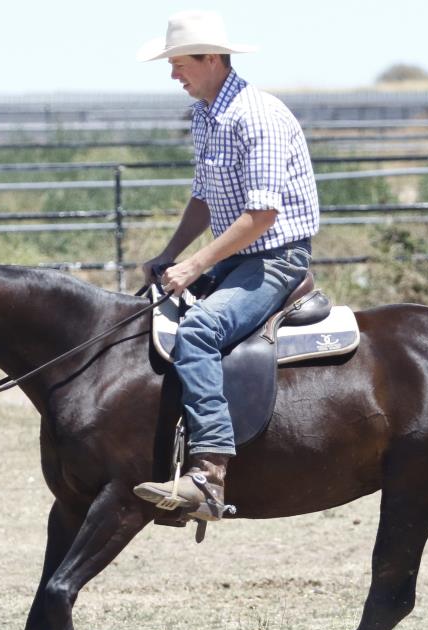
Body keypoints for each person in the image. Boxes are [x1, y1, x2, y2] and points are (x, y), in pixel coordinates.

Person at [132, 11, 320, 521]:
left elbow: (262, 215)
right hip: (236, 257)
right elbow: (204, 198)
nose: (173, 73)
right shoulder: (205, 115)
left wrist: (194, 264)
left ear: (211, 59)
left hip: (275, 258)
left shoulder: (257, 116)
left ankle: (209, 475)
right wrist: (169, 254)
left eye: (179, 63)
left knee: (198, 330)